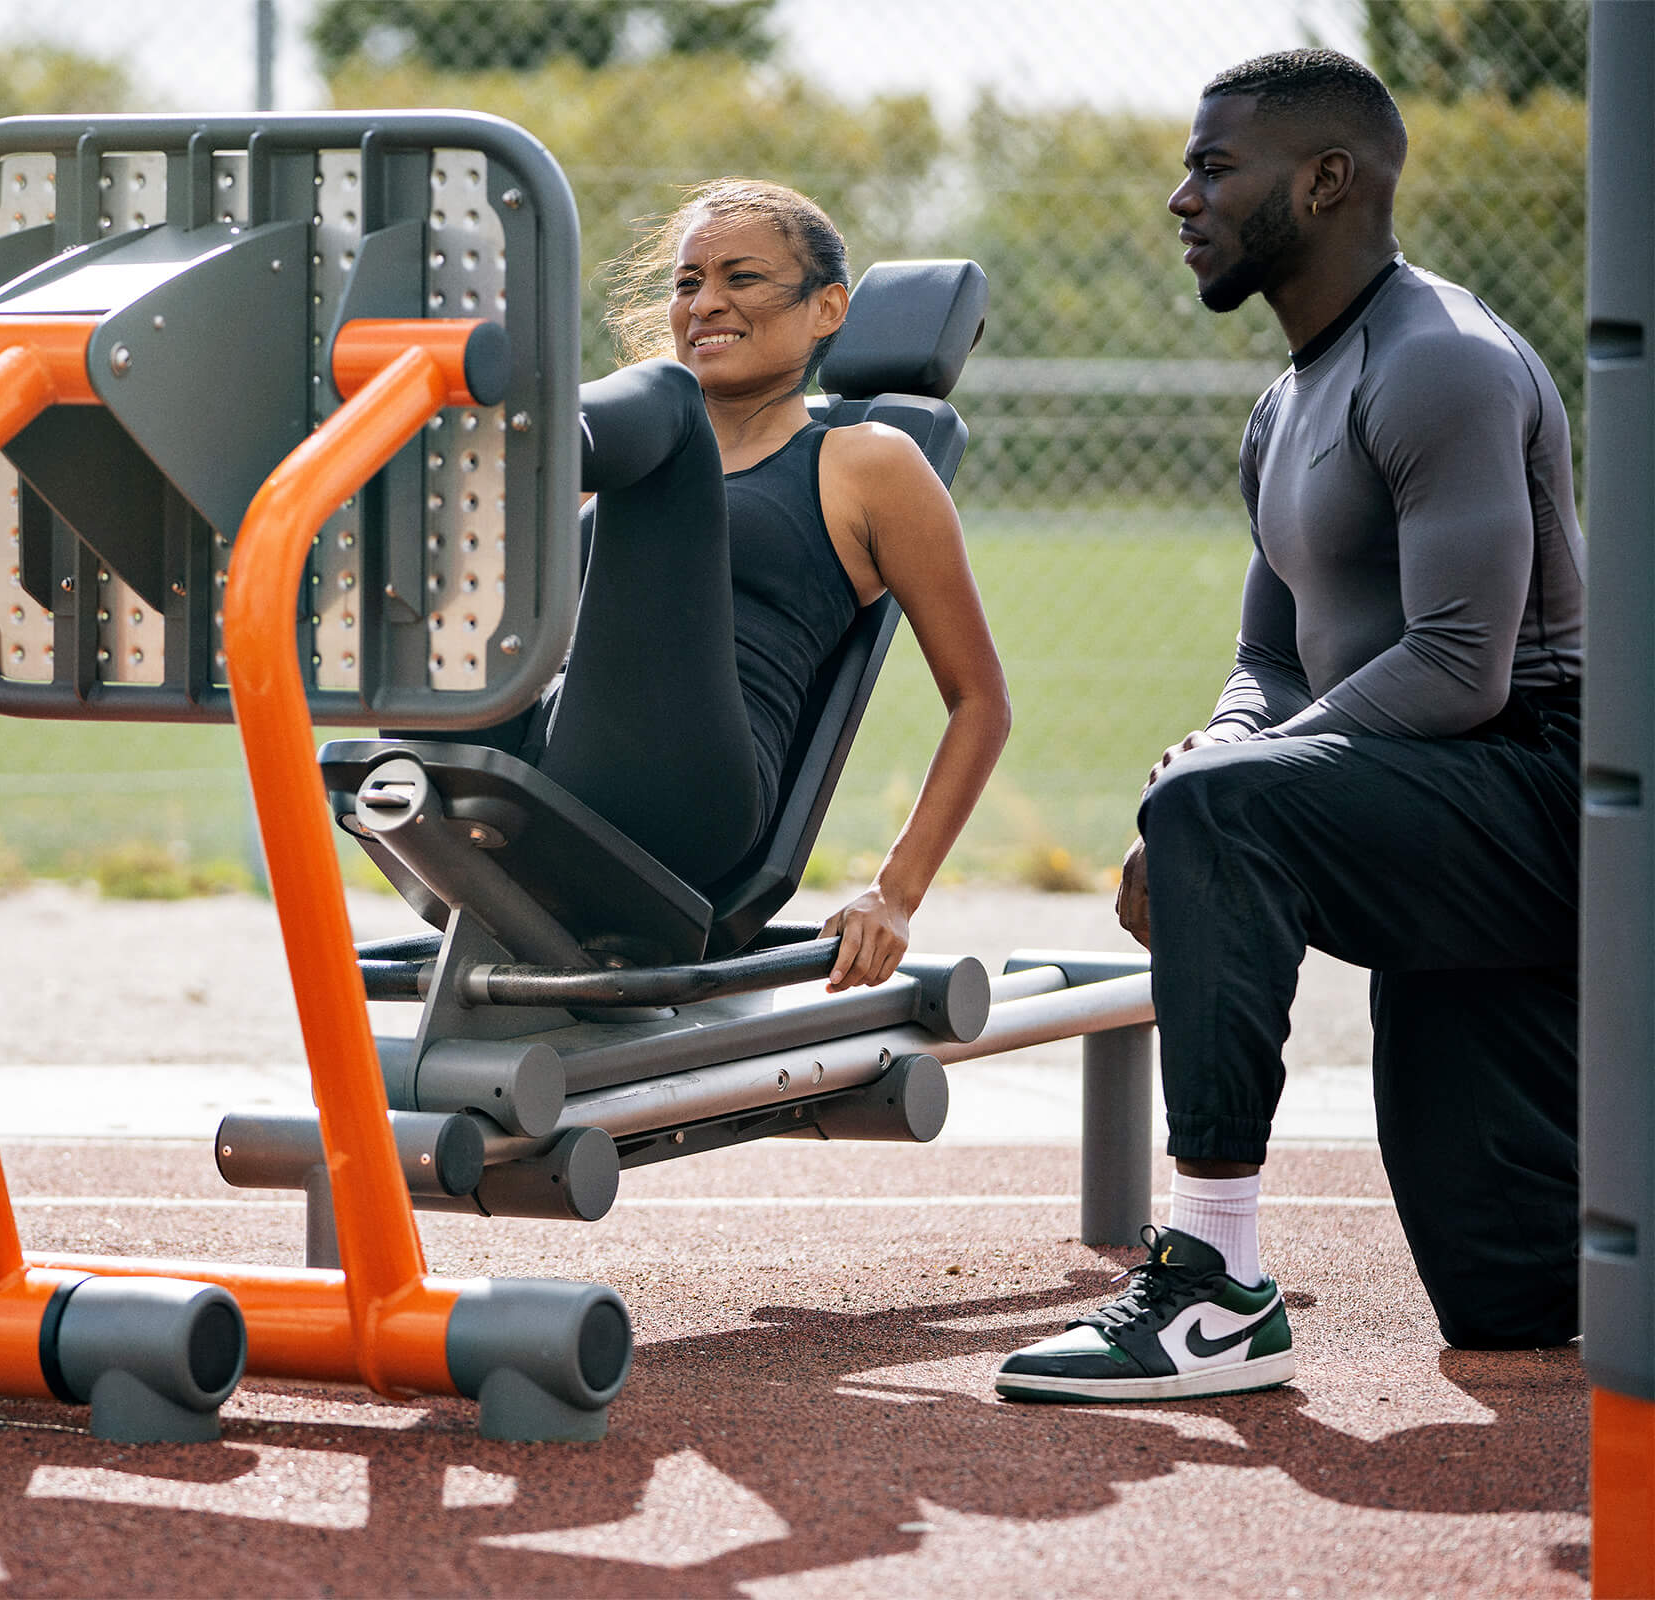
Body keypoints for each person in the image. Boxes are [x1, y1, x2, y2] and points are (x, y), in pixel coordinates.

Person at [995, 50, 1584, 1405]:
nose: (1180, 198)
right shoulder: (1286, 404)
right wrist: (1217, 749)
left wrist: (1226, 793)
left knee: (1221, 807)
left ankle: (1212, 1292)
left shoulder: (1439, 361)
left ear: (1325, 183)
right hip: (1430, 804)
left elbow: (1459, 666)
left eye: (1214, 167)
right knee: (1514, 1297)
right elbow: (1266, 658)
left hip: (1543, 801)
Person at [477, 178, 1009, 992]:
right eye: (688, 282)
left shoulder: (868, 462)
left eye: (741, 277)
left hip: (687, 803)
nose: (706, 303)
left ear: (827, 308)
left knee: (665, 397)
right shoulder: (617, 469)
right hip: (546, 772)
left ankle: (503, 431)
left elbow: (981, 702)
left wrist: (894, 894)